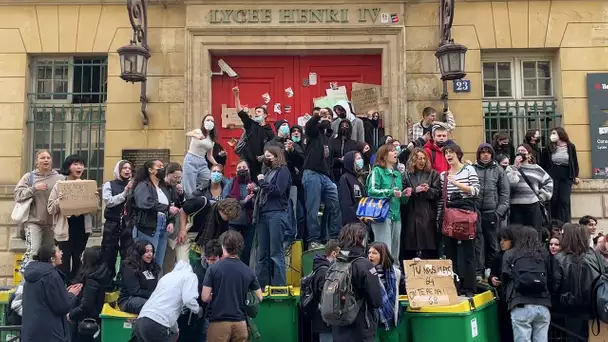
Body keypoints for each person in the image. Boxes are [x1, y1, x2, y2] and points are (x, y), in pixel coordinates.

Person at [202, 231, 263, 341]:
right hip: (241, 324)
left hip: (218, 323)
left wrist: (218, 295)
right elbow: (259, 297)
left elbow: (205, 297)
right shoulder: (248, 271)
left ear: (223, 246)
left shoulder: (213, 269)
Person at [438, 144, 480, 296]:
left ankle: (469, 288)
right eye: (446, 153)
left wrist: (457, 184)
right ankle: (453, 287)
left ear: (458, 154)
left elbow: (476, 190)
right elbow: (442, 199)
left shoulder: (469, 169)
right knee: (450, 254)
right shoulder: (443, 175)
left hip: (466, 213)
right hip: (450, 214)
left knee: (469, 253)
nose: (449, 155)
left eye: (451, 152)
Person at [47, 154, 98, 282]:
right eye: (75, 164)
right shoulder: (60, 185)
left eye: (81, 164)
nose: (79, 167)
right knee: (63, 260)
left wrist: (94, 199)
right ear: (68, 167)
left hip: (81, 227)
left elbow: (94, 211)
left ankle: (76, 286)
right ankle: (61, 286)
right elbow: (50, 208)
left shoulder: (87, 185)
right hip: (65, 228)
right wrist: (60, 200)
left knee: (78, 258)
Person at [552, 223, 605, 342]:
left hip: (570, 308)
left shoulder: (560, 258)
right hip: (595, 307)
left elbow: (555, 285)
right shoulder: (595, 256)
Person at [14, 149, 64, 272]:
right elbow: (17, 195)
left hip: (53, 223)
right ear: (37, 161)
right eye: (42, 158)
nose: (46, 160)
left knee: (49, 255)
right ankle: (25, 283)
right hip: (33, 221)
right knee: (33, 251)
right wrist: (33, 189)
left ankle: (45, 281)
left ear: (52, 160)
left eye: (48, 158)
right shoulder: (29, 177)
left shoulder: (60, 178)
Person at [331, 223, 382, 342]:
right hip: (361, 328)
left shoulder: (334, 264)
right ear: (361, 240)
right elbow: (376, 300)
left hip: (338, 328)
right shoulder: (364, 265)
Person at [501, 226, 552, 342]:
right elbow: (552, 277)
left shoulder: (510, 254)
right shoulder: (544, 254)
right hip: (543, 304)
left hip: (520, 303)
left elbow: (505, 279)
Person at [22, 244, 82, 342]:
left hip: (31, 332)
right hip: (50, 333)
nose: (62, 253)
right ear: (52, 258)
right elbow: (62, 306)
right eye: (58, 251)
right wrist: (71, 295)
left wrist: (64, 293)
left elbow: (43, 298)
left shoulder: (31, 274)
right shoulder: (51, 275)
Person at [134, 260, 202, 342]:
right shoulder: (190, 276)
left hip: (140, 321)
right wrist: (197, 310)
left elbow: (167, 310)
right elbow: (189, 300)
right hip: (156, 324)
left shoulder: (166, 277)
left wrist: (176, 330)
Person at [303, 109, 341, 250]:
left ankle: (333, 238)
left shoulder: (328, 139)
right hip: (312, 174)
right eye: (326, 117)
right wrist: (318, 115)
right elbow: (308, 127)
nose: (328, 120)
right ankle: (313, 240)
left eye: (330, 118)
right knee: (313, 209)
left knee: (335, 205)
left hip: (325, 176)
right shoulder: (314, 134)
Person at [255, 145, 292, 289]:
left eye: (269, 156)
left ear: (277, 157)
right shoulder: (269, 171)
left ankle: (279, 288)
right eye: (265, 156)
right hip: (263, 214)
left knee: (276, 253)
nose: (266, 159)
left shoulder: (283, 171)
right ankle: (261, 287)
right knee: (262, 253)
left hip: (277, 213)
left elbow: (278, 191)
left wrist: (262, 183)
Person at [129, 159, 179, 267]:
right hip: (147, 227)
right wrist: (167, 208)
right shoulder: (143, 185)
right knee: (145, 260)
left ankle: (154, 282)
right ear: (151, 170)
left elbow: (169, 204)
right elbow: (145, 203)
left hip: (163, 227)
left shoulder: (163, 187)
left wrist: (171, 221)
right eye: (159, 166)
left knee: (158, 263)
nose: (162, 168)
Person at [472, 143, 510, 280]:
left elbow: (505, 194)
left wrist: (499, 212)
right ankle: (477, 272)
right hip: (476, 212)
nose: (485, 154)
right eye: (482, 152)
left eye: (488, 152)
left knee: (494, 244)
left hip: (492, 212)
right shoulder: (472, 169)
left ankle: (490, 270)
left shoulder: (499, 170)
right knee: (477, 244)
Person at [368, 144, 411, 259]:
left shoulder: (397, 174)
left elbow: (401, 200)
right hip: (382, 215)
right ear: (384, 156)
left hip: (396, 216)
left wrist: (405, 194)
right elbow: (371, 191)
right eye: (392, 151)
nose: (395, 152)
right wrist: (390, 192)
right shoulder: (377, 171)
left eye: (395, 150)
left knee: (395, 252)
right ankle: (382, 273)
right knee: (384, 249)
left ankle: (394, 273)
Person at [401, 147, 441, 260]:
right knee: (411, 246)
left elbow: (438, 193)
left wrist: (428, 190)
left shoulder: (433, 174)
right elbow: (403, 193)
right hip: (411, 214)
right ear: (413, 160)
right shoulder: (406, 175)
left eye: (424, 159)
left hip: (428, 214)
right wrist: (414, 191)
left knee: (428, 245)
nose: (422, 161)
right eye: (419, 159)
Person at [68, 246, 112, 341]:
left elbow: (86, 305)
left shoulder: (92, 281)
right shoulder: (100, 276)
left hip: (86, 324)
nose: (81, 257)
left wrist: (70, 315)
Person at [508, 144, 553, 233]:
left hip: (532, 205)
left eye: (523, 151)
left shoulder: (537, 169)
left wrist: (542, 196)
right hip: (515, 205)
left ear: (529, 154)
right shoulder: (510, 168)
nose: (520, 153)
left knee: (534, 232)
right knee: (516, 233)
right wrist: (515, 167)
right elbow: (510, 183)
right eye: (518, 151)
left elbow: (549, 181)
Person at [233, 86, 275, 181]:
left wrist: (265, 156)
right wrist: (236, 96)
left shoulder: (269, 131)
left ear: (265, 115)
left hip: (262, 164)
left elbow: (273, 148)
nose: (256, 113)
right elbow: (240, 112)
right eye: (255, 112)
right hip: (247, 162)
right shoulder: (250, 124)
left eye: (259, 112)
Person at [102, 159, 134, 278]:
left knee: (127, 253)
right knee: (109, 253)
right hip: (112, 223)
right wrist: (124, 193)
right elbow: (109, 202)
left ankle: (123, 280)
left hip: (128, 224)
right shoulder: (109, 184)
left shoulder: (134, 185)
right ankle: (108, 280)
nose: (127, 170)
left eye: (129, 168)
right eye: (124, 168)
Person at [368, 242, 403, 342]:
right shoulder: (366, 272)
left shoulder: (396, 273)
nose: (370, 255)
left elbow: (407, 287)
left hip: (392, 321)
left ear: (382, 255)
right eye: (369, 252)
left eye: (374, 253)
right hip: (374, 322)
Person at [222, 160, 256, 266]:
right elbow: (226, 200)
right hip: (233, 222)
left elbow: (259, 202)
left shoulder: (253, 185)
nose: (242, 170)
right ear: (236, 171)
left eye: (244, 167)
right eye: (239, 168)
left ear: (249, 170)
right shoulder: (230, 183)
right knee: (232, 248)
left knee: (247, 250)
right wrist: (243, 201)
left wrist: (253, 196)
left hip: (249, 222)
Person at [543, 127, 579, 223]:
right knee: (553, 199)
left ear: (560, 134)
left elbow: (574, 162)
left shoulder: (570, 146)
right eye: (552, 133)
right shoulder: (549, 147)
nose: (552, 136)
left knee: (564, 200)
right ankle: (554, 223)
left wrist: (575, 175)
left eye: (554, 133)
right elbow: (544, 162)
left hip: (566, 174)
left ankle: (564, 222)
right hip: (553, 173)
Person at [118, 240, 161, 314]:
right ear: (139, 252)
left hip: (149, 298)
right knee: (153, 307)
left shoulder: (152, 266)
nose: (150, 254)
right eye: (147, 251)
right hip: (129, 300)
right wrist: (154, 295)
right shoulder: (129, 267)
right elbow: (135, 291)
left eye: (151, 251)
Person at [489, 227, 515, 342]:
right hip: (502, 298)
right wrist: (492, 279)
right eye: (500, 239)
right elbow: (492, 274)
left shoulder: (516, 256)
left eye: (505, 240)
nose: (501, 242)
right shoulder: (498, 257)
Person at [183, 114, 219, 197]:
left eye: (212, 121)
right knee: (189, 185)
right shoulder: (198, 131)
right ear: (203, 122)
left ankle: (201, 197)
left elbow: (209, 156)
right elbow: (188, 133)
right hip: (191, 159)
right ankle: (190, 203)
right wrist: (196, 135)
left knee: (209, 180)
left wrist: (217, 165)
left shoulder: (211, 139)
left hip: (202, 161)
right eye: (208, 120)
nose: (210, 122)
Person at [311, 240, 340, 342]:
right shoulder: (325, 272)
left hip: (324, 320)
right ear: (334, 253)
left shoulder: (320, 268)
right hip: (325, 321)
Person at [339, 151, 367, 226]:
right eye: (358, 158)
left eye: (361, 158)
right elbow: (346, 202)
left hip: (362, 219)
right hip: (352, 223)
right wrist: (354, 220)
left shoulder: (359, 178)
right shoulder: (345, 178)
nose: (361, 160)